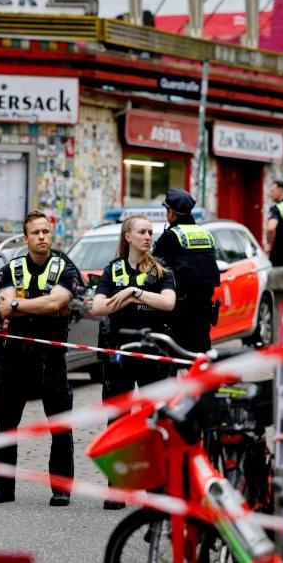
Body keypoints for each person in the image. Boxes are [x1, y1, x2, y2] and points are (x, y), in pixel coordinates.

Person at [0, 211, 80, 507]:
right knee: (6, 421)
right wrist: (40, 306)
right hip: (15, 356)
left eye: (46, 232)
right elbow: (5, 310)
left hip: (51, 356)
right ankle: (3, 487)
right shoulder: (11, 269)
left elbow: (58, 301)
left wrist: (20, 305)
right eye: (36, 233)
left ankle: (61, 488)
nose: (42, 237)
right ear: (25, 239)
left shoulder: (64, 267)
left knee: (60, 422)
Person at [91, 214, 176, 509]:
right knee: (118, 421)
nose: (148, 237)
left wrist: (132, 292)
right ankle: (117, 488)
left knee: (155, 421)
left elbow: (168, 303)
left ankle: (157, 490)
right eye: (142, 232)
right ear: (127, 236)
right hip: (119, 354)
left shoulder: (161, 270)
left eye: (150, 232)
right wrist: (126, 297)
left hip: (153, 355)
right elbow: (98, 306)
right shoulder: (112, 270)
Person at [152, 188, 220, 354]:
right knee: (200, 356)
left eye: (166, 210)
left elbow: (153, 266)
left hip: (179, 309)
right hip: (204, 308)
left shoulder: (171, 236)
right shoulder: (206, 234)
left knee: (173, 358)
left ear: (172, 213)